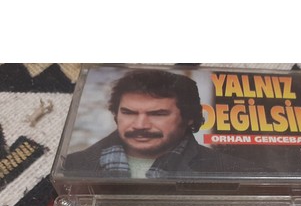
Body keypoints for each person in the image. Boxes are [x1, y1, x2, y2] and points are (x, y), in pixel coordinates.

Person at [65, 68, 267, 178]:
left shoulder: (236, 172)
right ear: (116, 114)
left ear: (189, 116)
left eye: (157, 114)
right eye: (129, 112)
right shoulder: (72, 166)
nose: (140, 125)